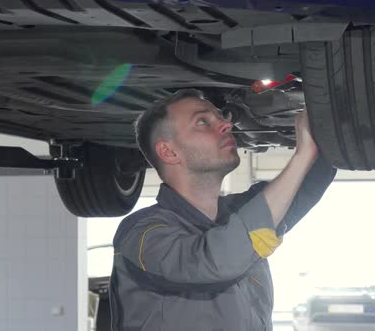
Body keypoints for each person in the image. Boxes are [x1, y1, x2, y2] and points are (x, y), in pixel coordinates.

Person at [109, 89, 336, 331]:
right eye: (202, 121)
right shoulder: (142, 235)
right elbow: (213, 263)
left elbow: (309, 183)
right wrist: (301, 157)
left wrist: (332, 121)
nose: (227, 124)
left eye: (221, 116)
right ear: (169, 152)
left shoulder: (239, 214)